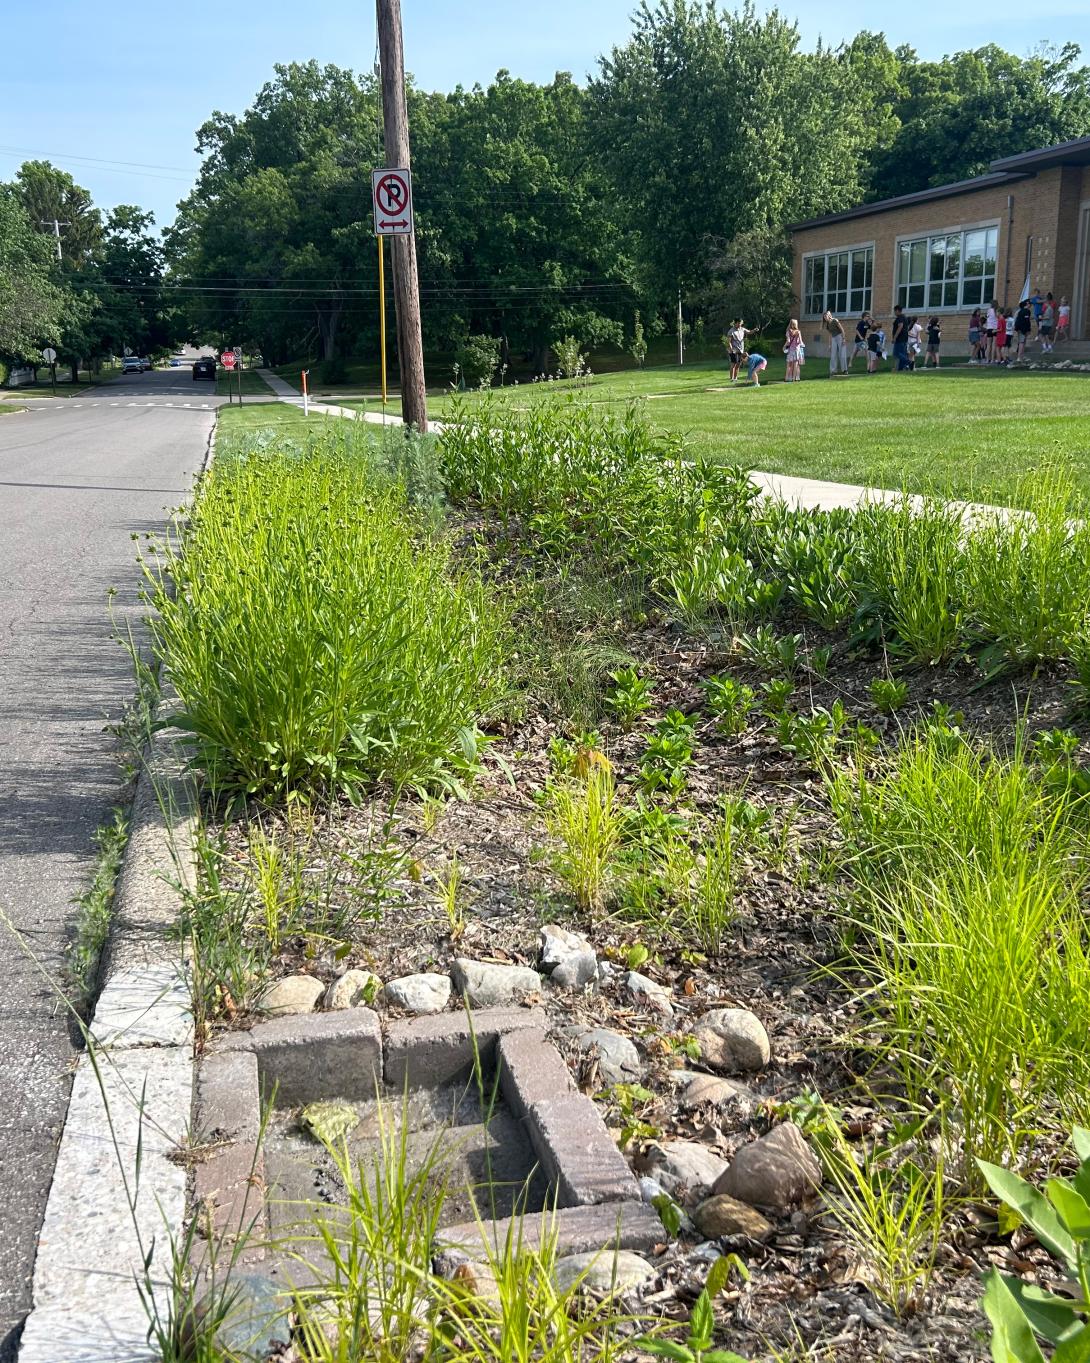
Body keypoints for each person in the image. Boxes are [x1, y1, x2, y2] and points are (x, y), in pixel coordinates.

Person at [727, 319, 755, 383]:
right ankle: (731, 379)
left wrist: (754, 330)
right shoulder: (731, 331)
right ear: (735, 323)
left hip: (741, 350)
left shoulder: (742, 329)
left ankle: (735, 378)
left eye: (741, 323)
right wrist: (731, 349)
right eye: (739, 323)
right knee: (733, 364)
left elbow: (749, 332)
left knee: (738, 364)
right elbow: (729, 342)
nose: (740, 325)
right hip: (734, 350)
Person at [823, 310, 849, 376]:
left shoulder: (835, 320)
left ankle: (844, 370)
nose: (825, 318)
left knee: (842, 354)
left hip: (840, 336)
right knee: (833, 355)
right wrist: (829, 345)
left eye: (826, 316)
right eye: (824, 317)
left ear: (829, 316)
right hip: (833, 338)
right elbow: (830, 335)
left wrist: (843, 339)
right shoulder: (827, 325)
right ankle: (833, 371)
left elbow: (842, 330)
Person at [891, 305, 910, 370]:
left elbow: (900, 327)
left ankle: (908, 362)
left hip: (900, 339)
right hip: (904, 338)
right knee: (902, 353)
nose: (894, 313)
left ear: (897, 310)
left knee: (896, 353)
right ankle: (900, 368)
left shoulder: (900, 318)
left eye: (894, 311)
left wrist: (895, 337)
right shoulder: (904, 317)